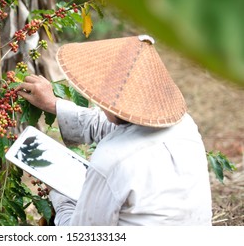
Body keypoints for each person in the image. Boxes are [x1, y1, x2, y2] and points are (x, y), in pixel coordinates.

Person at [16, 35, 212, 226]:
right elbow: (108, 124)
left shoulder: (111, 160)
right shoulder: (185, 125)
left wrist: (58, 193)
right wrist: (54, 104)